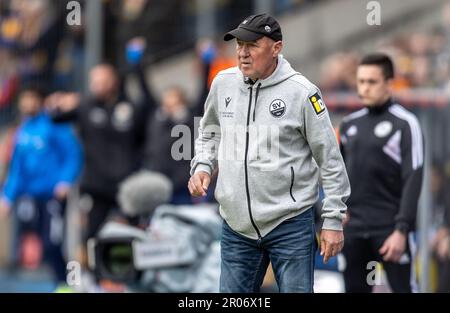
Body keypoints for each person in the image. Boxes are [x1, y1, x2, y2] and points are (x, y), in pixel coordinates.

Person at [188, 13, 351, 293]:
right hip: (235, 226)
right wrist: (202, 166)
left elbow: (330, 159)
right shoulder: (222, 82)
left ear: (276, 48)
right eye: (239, 44)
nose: (242, 53)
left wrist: (333, 219)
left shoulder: (303, 93)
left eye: (252, 45)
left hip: (289, 224)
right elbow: (208, 131)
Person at [339, 53, 424, 292]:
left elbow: (413, 177)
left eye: (372, 82)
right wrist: (337, 210)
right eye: (361, 81)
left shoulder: (405, 124)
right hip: (354, 230)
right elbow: (337, 175)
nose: (364, 88)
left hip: (390, 231)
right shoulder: (349, 124)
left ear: (389, 83)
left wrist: (402, 230)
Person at [48, 62, 155, 248]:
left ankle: (138, 275)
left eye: (101, 81)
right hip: (96, 186)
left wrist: (138, 67)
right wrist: (55, 104)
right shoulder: (85, 106)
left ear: (113, 81)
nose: (95, 85)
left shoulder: (129, 107)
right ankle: (89, 275)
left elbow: (150, 109)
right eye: (93, 81)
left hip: (127, 185)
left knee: (138, 234)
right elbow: (56, 118)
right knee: (90, 236)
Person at [0, 86, 82, 283]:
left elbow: (73, 154)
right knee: (36, 245)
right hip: (32, 197)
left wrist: (65, 181)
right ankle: (61, 283)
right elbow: (17, 168)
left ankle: (72, 282)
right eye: (24, 100)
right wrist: (7, 196)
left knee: (53, 243)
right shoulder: (22, 131)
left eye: (32, 99)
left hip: (53, 196)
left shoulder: (54, 125)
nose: (27, 104)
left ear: (40, 101)